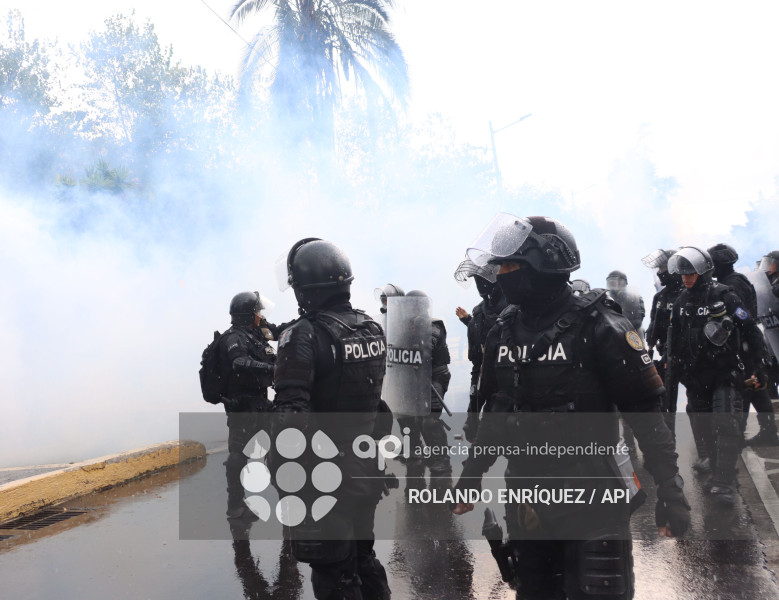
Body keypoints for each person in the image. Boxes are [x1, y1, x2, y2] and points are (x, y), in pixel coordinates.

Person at [452, 214, 689, 600]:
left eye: (510, 265)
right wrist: (472, 474)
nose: (500, 275)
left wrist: (671, 488)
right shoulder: (504, 331)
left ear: (543, 264)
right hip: (528, 498)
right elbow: (498, 412)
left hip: (594, 500)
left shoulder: (601, 326)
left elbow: (646, 418)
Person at [272, 238, 391, 600]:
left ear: (305, 287)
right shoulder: (370, 327)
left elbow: (292, 417)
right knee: (363, 557)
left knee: (333, 574)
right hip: (366, 467)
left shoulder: (302, 334)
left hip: (325, 477)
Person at [667, 247, 771, 505]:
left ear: (703, 270)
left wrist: (757, 366)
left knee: (727, 425)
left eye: (690, 272)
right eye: (683, 273)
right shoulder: (681, 302)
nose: (686, 278)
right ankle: (719, 473)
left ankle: (724, 482)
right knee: (704, 429)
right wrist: (675, 371)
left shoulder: (726, 296)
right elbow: (676, 342)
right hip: (695, 378)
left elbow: (750, 331)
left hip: (725, 374)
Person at [219, 291, 280, 522]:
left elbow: (272, 358)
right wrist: (271, 370)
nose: (260, 315)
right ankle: (235, 506)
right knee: (238, 456)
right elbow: (239, 362)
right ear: (248, 314)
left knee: (282, 447)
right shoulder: (233, 338)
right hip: (242, 407)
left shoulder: (255, 336)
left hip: (261, 404)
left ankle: (289, 496)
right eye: (257, 312)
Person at [709, 244, 778, 446]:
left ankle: (740, 432)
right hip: (746, 342)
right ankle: (768, 431)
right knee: (756, 386)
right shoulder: (732, 281)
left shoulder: (733, 284)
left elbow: (742, 317)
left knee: (745, 385)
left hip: (743, 342)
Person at [400, 289, 452, 486]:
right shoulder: (405, 326)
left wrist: (415, 352)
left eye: (413, 305)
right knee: (414, 418)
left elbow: (427, 347)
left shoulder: (432, 325)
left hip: (435, 377)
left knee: (429, 420)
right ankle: (422, 452)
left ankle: (441, 460)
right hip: (415, 378)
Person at [453, 258, 506, 442]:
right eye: (477, 280)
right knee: (474, 409)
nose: (480, 284)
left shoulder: (510, 307)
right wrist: (468, 321)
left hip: (501, 371)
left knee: (495, 413)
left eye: (481, 279)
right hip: (480, 369)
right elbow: (484, 334)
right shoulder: (481, 310)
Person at [606, 270, 646, 337]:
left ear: (623, 282)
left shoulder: (634, 298)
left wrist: (622, 329)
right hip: (611, 337)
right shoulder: (606, 300)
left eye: (614, 281)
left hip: (632, 335)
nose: (612, 284)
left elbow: (638, 320)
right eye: (610, 282)